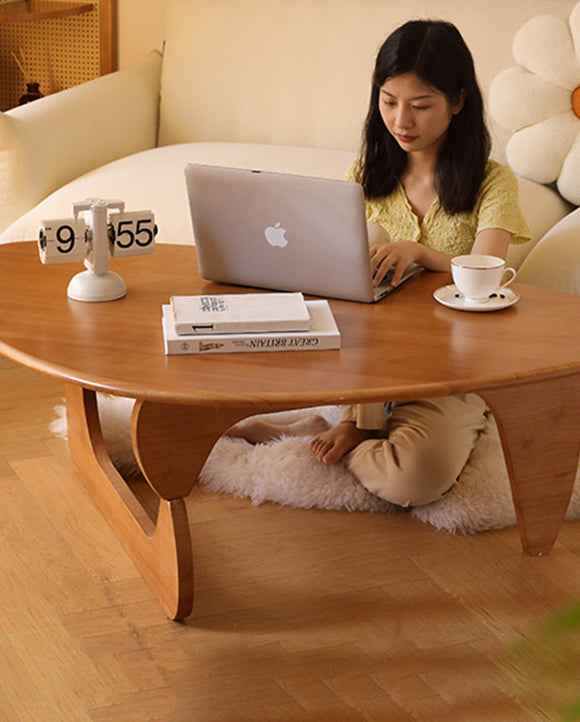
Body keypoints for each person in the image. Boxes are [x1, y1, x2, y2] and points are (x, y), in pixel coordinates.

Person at [227, 19, 531, 507]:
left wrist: (418, 252)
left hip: (450, 372)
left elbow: (487, 268)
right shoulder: (365, 175)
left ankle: (334, 423)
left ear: (457, 100)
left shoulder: (492, 182)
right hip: (366, 367)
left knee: (413, 480)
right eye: (389, 102)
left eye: (420, 105)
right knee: (366, 238)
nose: (401, 121)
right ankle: (347, 418)